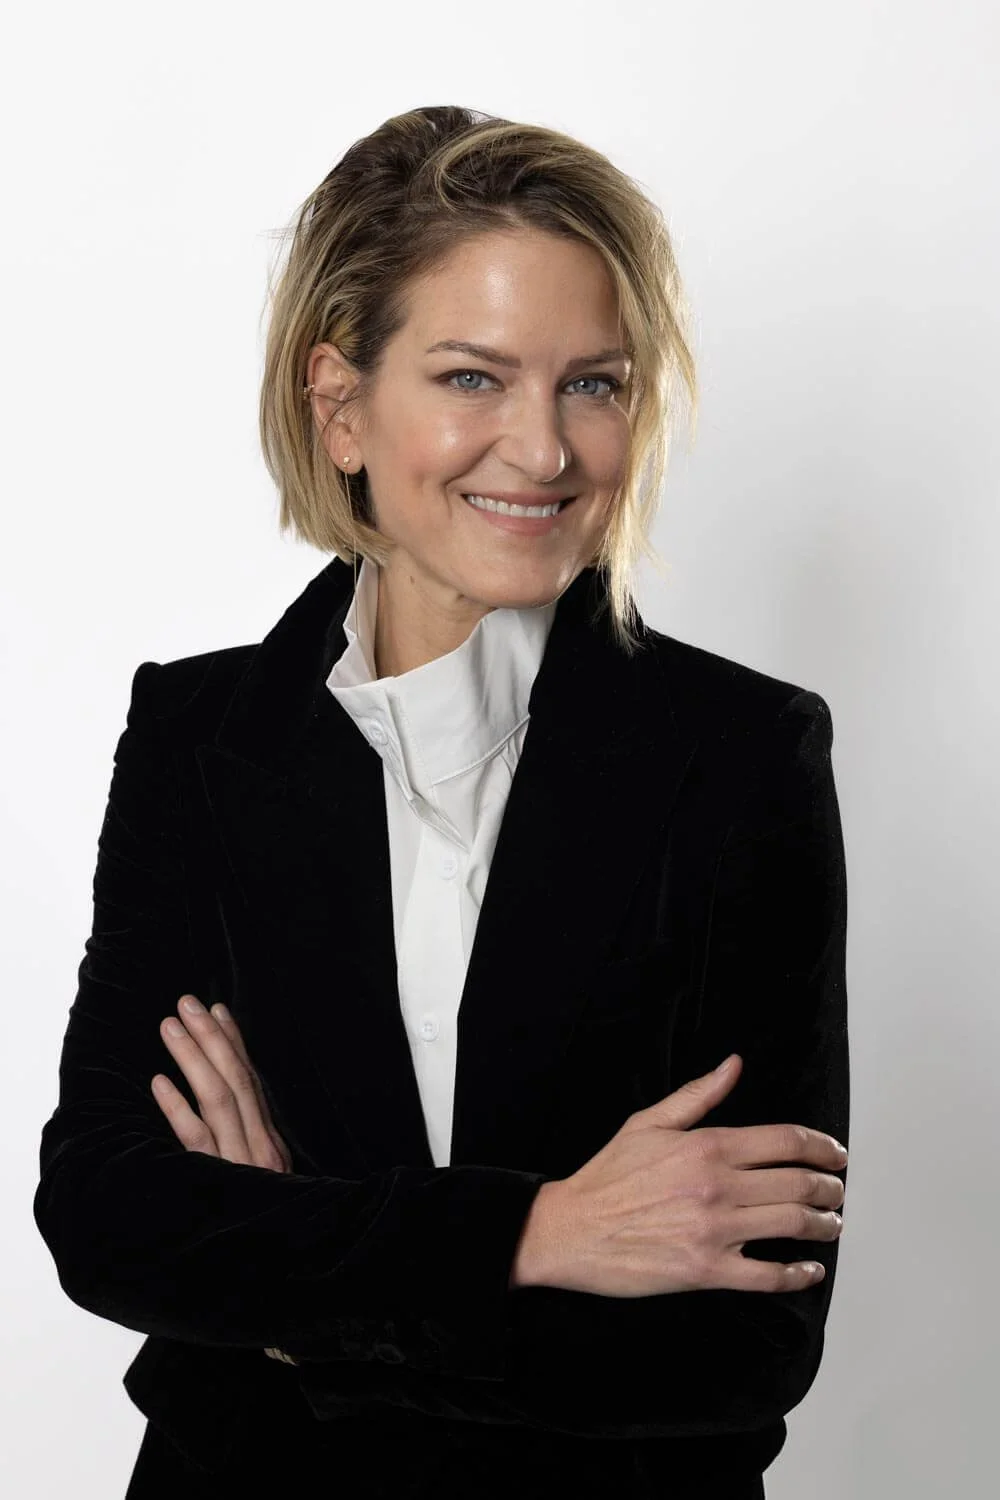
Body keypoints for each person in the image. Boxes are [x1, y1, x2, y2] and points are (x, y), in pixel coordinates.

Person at [33, 105, 849, 1499]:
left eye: (594, 384)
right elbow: (107, 1218)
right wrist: (533, 1236)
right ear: (341, 403)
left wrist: (295, 1296)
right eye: (474, 378)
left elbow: (737, 1345)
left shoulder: (741, 752)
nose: (541, 451)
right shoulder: (200, 733)